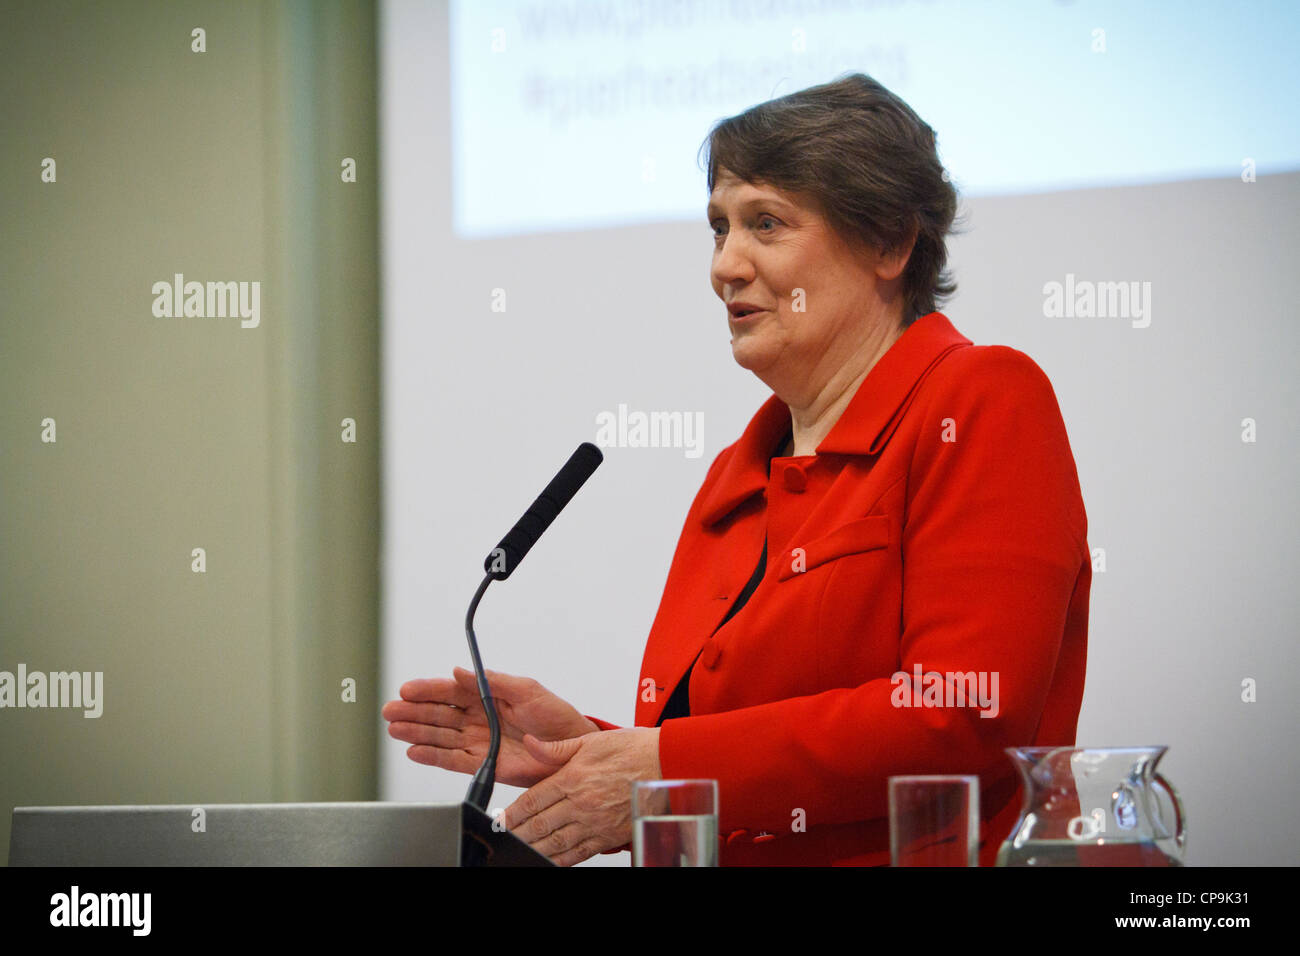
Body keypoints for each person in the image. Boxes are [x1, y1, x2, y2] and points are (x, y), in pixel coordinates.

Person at [383, 73, 1090, 866]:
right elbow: (740, 761)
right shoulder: (736, 477)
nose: (726, 265)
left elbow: (964, 713)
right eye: (719, 228)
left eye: (766, 224)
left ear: (891, 242)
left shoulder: (981, 399)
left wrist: (665, 768)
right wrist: (589, 753)